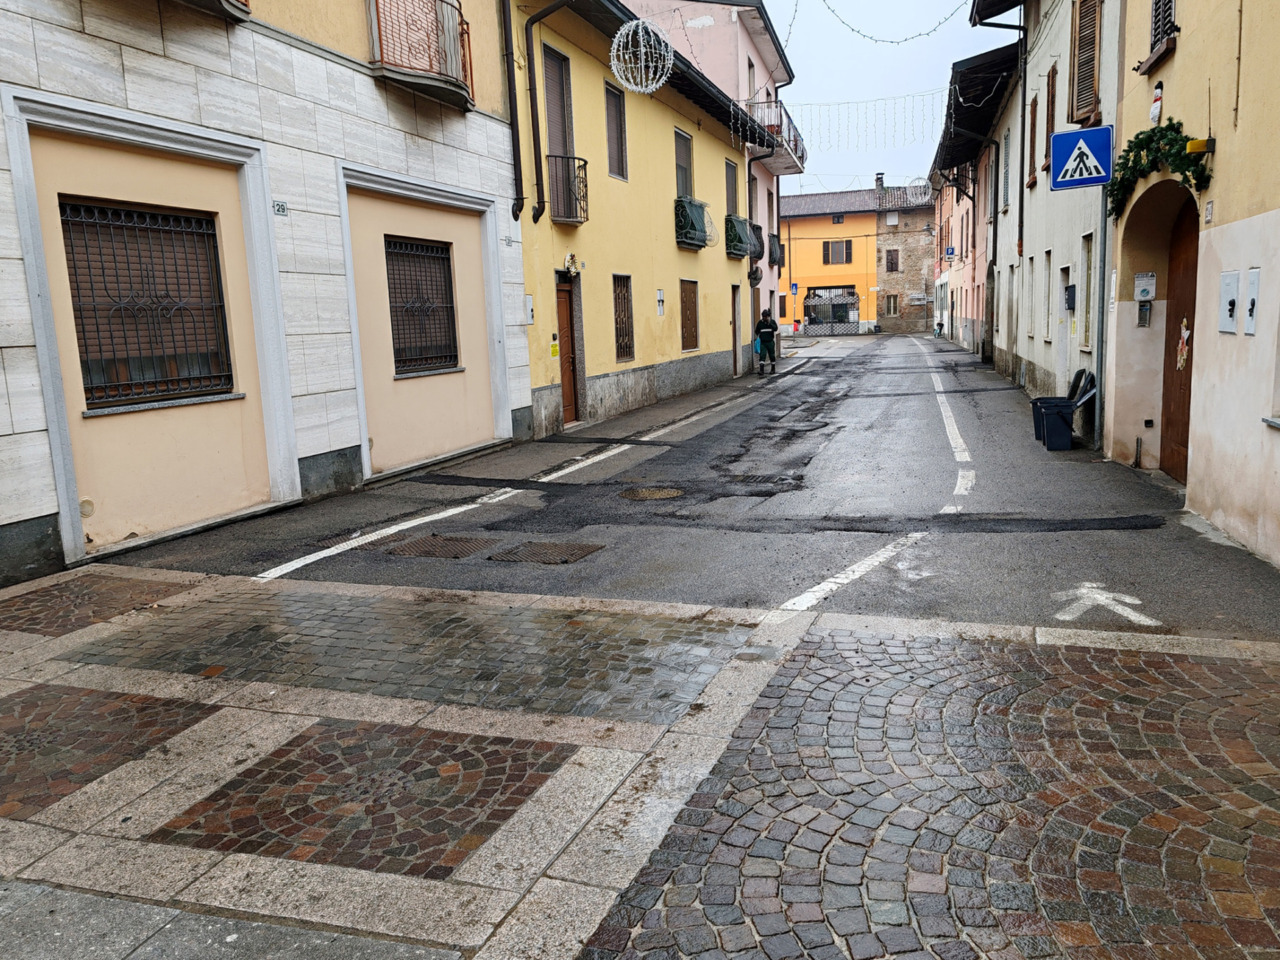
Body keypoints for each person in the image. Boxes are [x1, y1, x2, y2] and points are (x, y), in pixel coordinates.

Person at [755, 308, 778, 376]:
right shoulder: (760, 323)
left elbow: (775, 328)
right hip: (763, 342)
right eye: (763, 316)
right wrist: (759, 335)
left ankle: (773, 369)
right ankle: (761, 370)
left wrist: (769, 323)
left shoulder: (772, 322)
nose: (764, 318)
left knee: (772, 355)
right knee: (762, 355)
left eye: (766, 316)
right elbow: (756, 331)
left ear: (768, 316)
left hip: (770, 342)